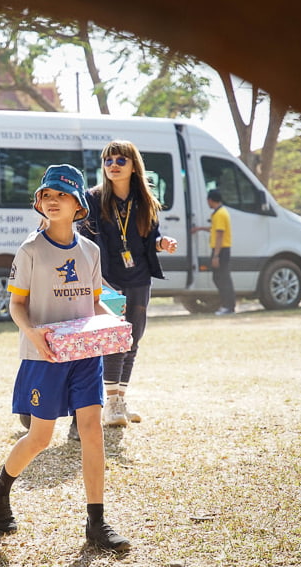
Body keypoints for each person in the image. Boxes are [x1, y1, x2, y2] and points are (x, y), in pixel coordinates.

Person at [0, 164, 131, 551]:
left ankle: (96, 523)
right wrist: (33, 334)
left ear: (77, 204)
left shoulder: (91, 251)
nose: (52, 200)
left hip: (85, 356)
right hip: (44, 357)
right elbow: (17, 305)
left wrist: (117, 327)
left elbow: (95, 304)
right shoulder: (30, 249)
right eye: (46, 195)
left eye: (61, 195)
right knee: (40, 437)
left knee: (92, 432)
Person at [75, 141, 178, 435]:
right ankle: (109, 403)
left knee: (133, 338)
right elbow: (87, 241)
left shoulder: (145, 199)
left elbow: (150, 238)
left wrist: (162, 243)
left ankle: (119, 400)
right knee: (113, 340)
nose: (113, 165)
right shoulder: (92, 199)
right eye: (108, 160)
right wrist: (99, 280)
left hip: (139, 277)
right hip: (108, 279)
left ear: (134, 165)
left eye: (121, 159)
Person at [191, 189, 235, 315]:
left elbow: (220, 235)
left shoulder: (220, 214)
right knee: (220, 277)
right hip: (220, 249)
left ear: (210, 200)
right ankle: (227, 305)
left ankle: (228, 306)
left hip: (221, 250)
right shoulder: (218, 213)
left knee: (222, 278)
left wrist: (216, 256)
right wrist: (200, 229)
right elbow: (214, 229)